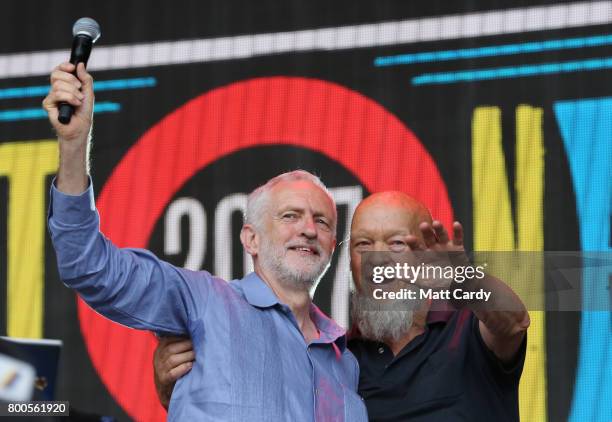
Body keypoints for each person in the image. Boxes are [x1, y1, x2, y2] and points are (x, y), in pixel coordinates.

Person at [43, 62, 368, 421]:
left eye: (321, 220)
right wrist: (73, 145)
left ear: (332, 244)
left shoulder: (345, 360)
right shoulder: (204, 301)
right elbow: (88, 265)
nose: (308, 229)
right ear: (251, 239)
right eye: (290, 216)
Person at [155, 191, 529, 421]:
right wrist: (172, 383)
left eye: (397, 243)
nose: (379, 260)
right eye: (363, 245)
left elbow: (513, 321)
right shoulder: (335, 357)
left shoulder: (467, 331)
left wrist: (463, 280)